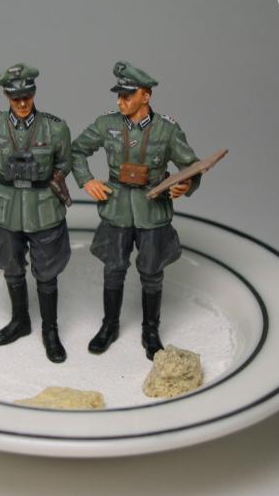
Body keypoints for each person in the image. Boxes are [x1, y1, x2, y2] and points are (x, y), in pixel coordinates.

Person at [71, 61, 201, 360]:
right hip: (117, 206)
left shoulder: (167, 129)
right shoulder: (107, 124)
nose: (121, 101)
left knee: (152, 272)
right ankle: (109, 325)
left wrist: (186, 185)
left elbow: (191, 165)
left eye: (127, 95)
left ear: (146, 96)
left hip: (152, 208)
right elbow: (76, 150)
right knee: (113, 269)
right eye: (119, 95)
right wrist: (86, 180)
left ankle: (151, 331)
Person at [0, 63, 72, 363]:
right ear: (6, 96)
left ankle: (50, 330)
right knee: (11, 265)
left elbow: (65, 163)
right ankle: (20, 320)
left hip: (42, 206)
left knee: (47, 271)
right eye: (15, 97)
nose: (22, 103)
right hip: (7, 206)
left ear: (34, 93)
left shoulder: (55, 128)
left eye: (27, 96)